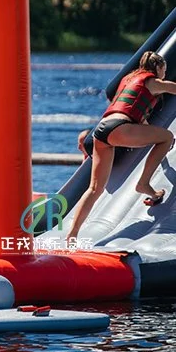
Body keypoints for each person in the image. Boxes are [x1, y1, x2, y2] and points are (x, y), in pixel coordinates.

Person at [67, 51, 176, 241]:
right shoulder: (154, 82)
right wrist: (162, 142)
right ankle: (144, 183)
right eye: (164, 70)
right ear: (157, 68)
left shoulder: (129, 79)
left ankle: (72, 235)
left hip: (101, 130)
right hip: (119, 128)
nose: (164, 74)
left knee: (94, 189)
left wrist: (160, 149)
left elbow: (140, 121)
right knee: (167, 137)